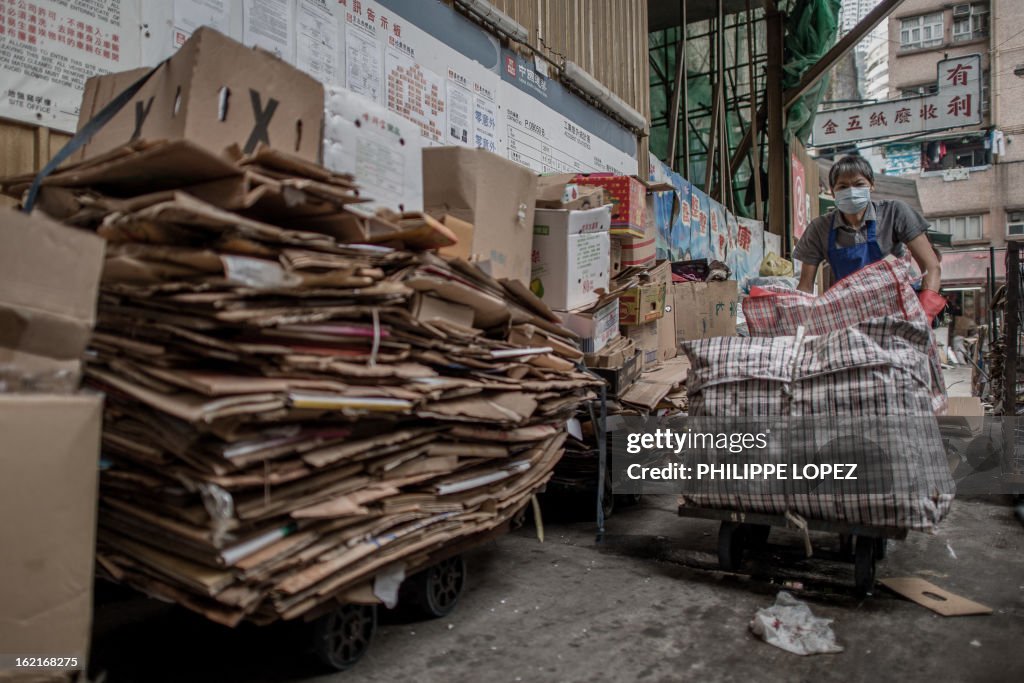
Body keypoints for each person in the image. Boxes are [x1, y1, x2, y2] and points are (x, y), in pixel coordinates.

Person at [793, 155, 945, 320]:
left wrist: (925, 314)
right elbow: (805, 287)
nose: (851, 191)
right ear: (833, 191)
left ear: (872, 185)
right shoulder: (819, 229)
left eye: (859, 184)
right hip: (851, 316)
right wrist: (799, 321)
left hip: (900, 311)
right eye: (843, 186)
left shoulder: (894, 213)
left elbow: (931, 267)